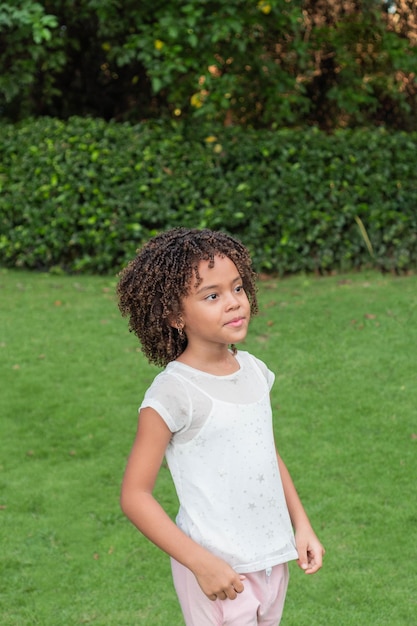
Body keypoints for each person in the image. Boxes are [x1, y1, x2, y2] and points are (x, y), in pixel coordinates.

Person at [117, 227, 324, 626]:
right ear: (175, 315)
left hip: (271, 560)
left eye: (238, 288)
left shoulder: (254, 371)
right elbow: (135, 495)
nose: (233, 303)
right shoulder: (173, 393)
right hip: (217, 572)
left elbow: (264, 452)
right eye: (212, 296)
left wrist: (302, 525)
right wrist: (201, 564)